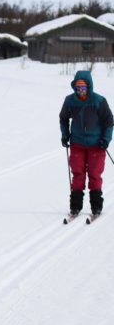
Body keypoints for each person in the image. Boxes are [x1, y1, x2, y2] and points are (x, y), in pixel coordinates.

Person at [59, 70, 113, 217]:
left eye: (83, 88)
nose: (80, 91)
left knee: (95, 174)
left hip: (97, 144)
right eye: (78, 88)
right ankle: (75, 206)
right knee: (78, 173)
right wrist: (65, 135)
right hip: (77, 143)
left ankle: (96, 206)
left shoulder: (98, 101)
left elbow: (109, 122)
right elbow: (63, 118)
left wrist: (105, 139)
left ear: (89, 87)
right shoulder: (70, 101)